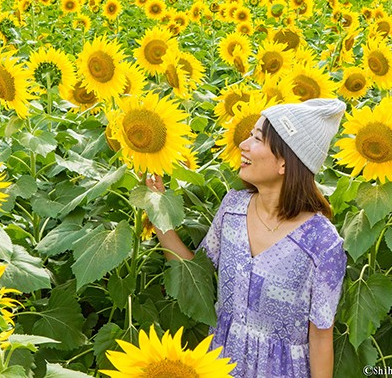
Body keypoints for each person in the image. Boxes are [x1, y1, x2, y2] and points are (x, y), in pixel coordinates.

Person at [146, 98, 348, 378]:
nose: (243, 144)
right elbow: (194, 273)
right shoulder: (233, 209)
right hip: (220, 364)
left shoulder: (322, 242)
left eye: (257, 138)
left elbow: (321, 337)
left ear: (285, 162)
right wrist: (158, 211)